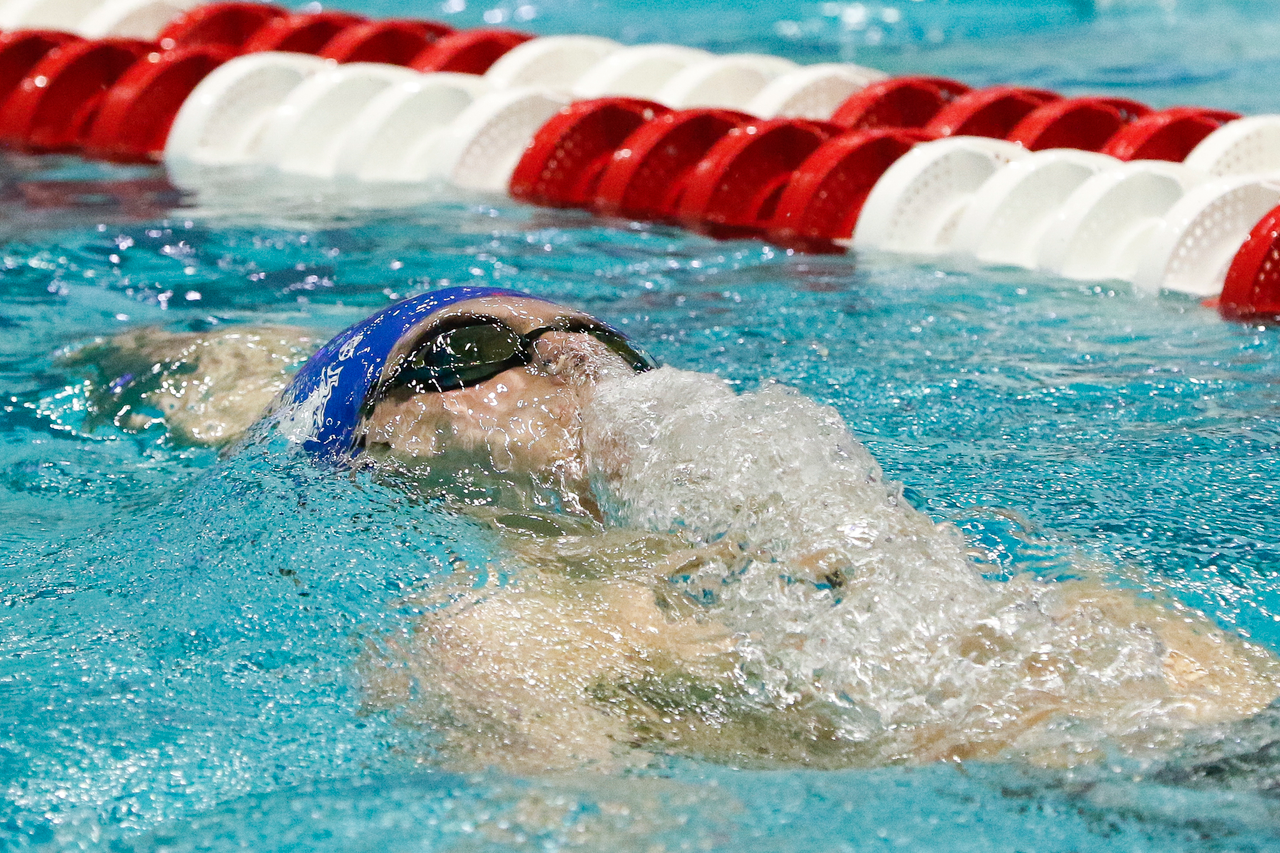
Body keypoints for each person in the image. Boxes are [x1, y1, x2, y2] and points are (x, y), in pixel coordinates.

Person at [75, 286, 1280, 773]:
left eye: (588, 335)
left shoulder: (828, 548)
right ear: (379, 446)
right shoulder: (505, 639)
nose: (561, 355)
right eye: (462, 353)